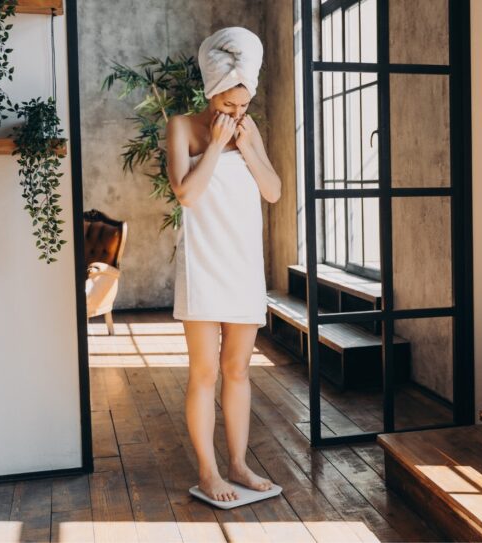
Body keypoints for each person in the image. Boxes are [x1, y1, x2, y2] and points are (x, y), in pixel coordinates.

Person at [166, 26, 281, 503]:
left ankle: (237, 464)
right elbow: (187, 195)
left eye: (243, 106)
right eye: (228, 105)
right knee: (204, 373)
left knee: (237, 371)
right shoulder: (181, 127)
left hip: (242, 263)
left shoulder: (249, 129)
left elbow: (272, 191)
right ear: (211, 93)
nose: (236, 114)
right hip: (202, 263)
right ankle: (209, 471)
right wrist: (215, 144)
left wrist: (248, 145)